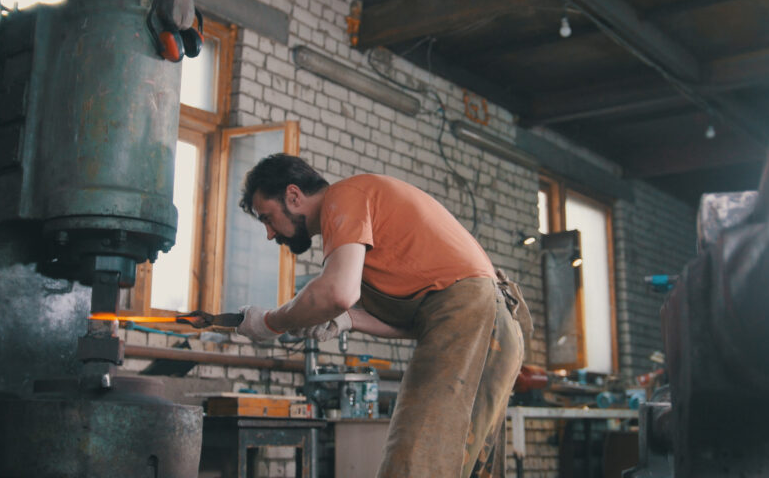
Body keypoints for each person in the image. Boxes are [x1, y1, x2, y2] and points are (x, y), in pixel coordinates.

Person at [190, 154, 526, 477]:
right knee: (465, 463)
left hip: (473, 316)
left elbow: (336, 291)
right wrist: (349, 319)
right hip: (496, 326)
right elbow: (425, 321)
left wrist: (269, 323)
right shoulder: (365, 235)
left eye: (266, 217)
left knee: (415, 461)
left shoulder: (344, 196)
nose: (269, 233)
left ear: (293, 196)